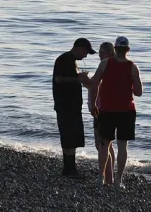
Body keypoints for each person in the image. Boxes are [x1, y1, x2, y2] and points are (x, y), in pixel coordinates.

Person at [89, 36, 143, 188]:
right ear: (128, 50)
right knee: (122, 146)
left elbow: (94, 84)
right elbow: (138, 92)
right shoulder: (132, 67)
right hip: (126, 110)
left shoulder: (105, 63)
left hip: (107, 109)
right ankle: (118, 180)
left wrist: (93, 104)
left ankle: (101, 177)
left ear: (115, 48)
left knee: (104, 144)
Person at [52, 38, 95, 177]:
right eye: (85, 52)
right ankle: (69, 168)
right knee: (69, 136)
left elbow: (65, 78)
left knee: (71, 136)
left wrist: (80, 78)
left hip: (70, 105)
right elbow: (59, 79)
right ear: (79, 48)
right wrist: (79, 78)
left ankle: (69, 167)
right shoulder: (65, 59)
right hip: (66, 104)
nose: (85, 56)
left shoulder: (70, 61)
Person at [88, 41, 116, 186]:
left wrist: (87, 82)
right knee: (106, 145)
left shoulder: (106, 66)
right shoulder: (111, 65)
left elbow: (98, 86)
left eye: (102, 51)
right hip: (105, 108)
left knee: (102, 145)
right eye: (99, 51)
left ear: (110, 53)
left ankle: (108, 178)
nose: (99, 54)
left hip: (102, 109)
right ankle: (109, 177)